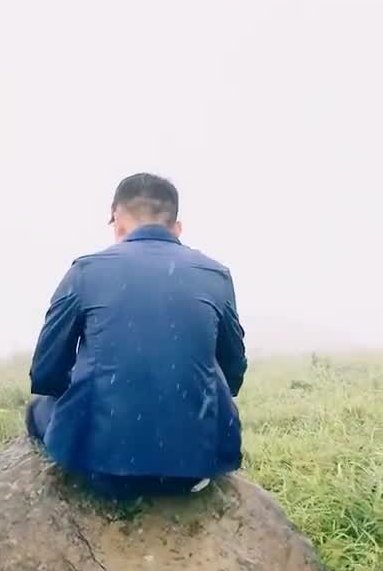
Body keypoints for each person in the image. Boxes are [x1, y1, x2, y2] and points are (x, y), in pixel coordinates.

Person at [27, 173, 247, 501]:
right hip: (194, 470)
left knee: (35, 411)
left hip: (102, 470)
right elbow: (233, 376)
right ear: (177, 228)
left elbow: (45, 375)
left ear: (117, 221)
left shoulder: (86, 271)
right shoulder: (216, 275)